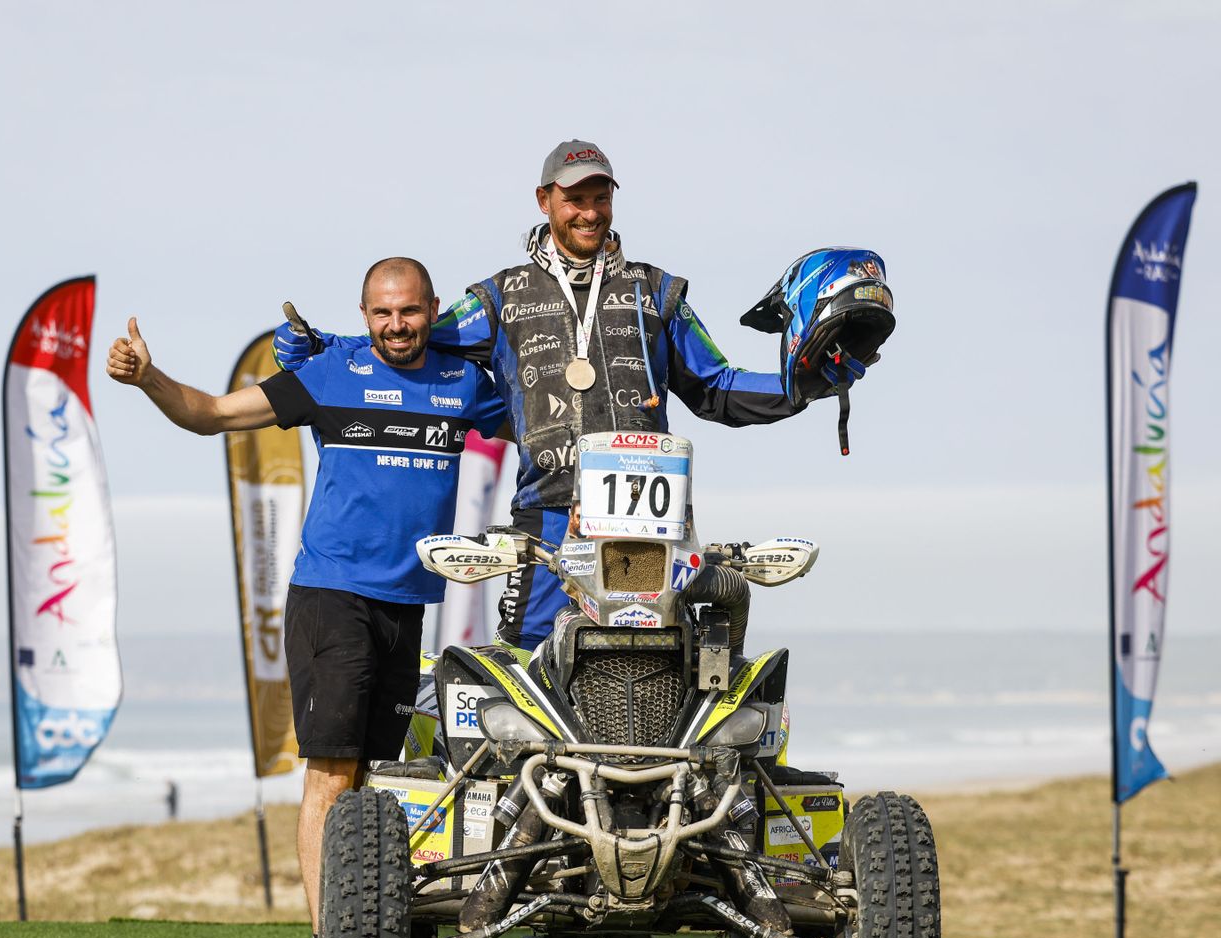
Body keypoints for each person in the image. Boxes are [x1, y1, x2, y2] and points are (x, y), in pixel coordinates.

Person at [274, 139, 868, 652]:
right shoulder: (499, 297)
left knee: (659, 660)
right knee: (530, 671)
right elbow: (408, 335)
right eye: (574, 199)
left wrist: (807, 384)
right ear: (545, 201)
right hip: (550, 519)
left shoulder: (657, 294)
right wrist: (322, 345)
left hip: (650, 522)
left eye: (599, 198)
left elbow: (717, 387)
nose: (588, 212)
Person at [106, 257, 507, 938]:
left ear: (432, 311)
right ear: (364, 314)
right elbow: (210, 413)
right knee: (331, 773)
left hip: (408, 606)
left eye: (409, 311)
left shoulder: (465, 385)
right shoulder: (330, 374)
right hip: (332, 598)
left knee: (380, 783)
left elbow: (546, 424)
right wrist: (147, 377)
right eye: (383, 313)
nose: (397, 325)